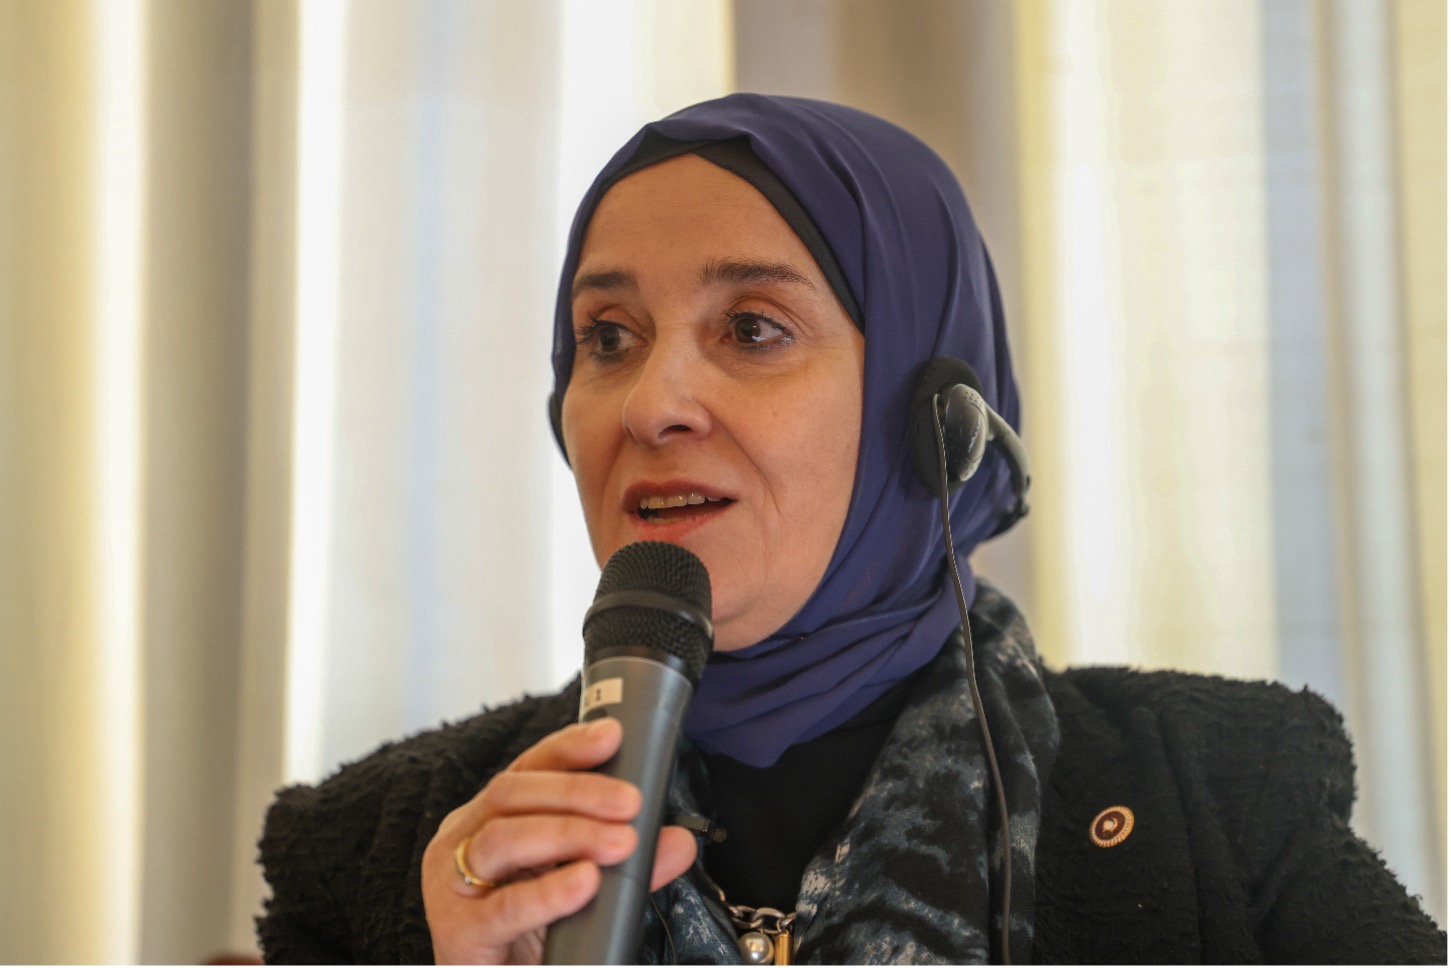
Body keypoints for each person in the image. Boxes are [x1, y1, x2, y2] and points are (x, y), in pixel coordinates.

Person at [257, 94, 1445, 965]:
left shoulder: (1215, 802)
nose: (650, 404)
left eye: (752, 328)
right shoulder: (382, 850)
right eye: (607, 338)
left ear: (932, 422)